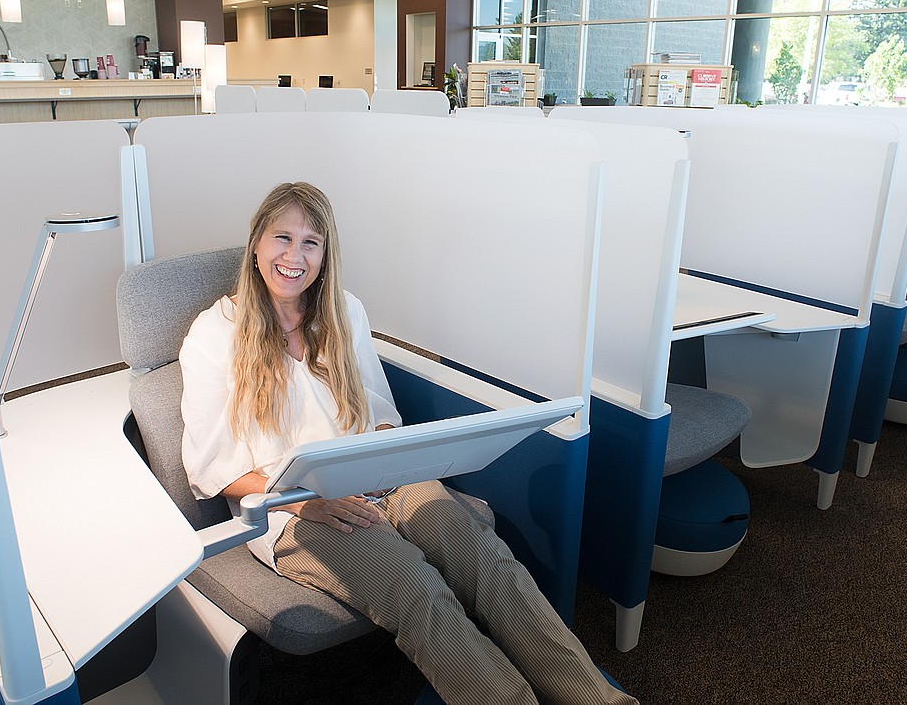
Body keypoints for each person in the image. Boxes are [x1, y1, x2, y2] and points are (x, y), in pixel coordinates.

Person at [179, 182, 637, 705]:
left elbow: (379, 416)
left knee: (489, 564)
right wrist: (308, 498)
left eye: (311, 242)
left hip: (377, 473)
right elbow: (210, 467)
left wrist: (389, 457)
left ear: (326, 255)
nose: (294, 255)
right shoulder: (215, 334)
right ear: (256, 244)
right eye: (281, 237)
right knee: (420, 594)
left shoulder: (342, 311)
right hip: (289, 509)